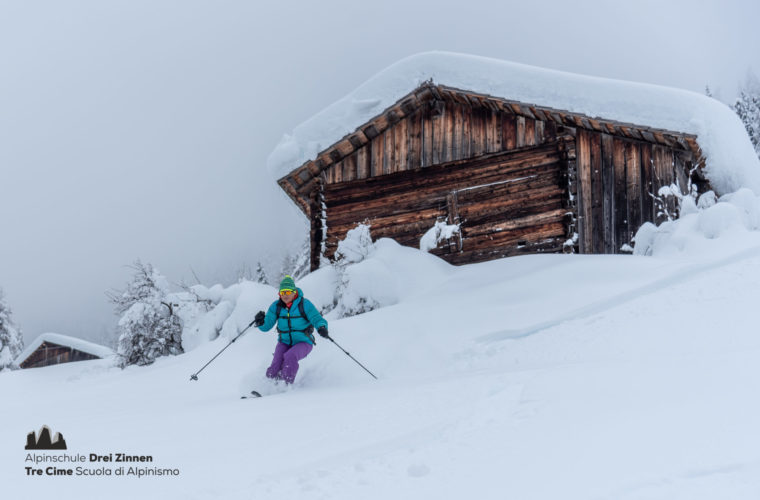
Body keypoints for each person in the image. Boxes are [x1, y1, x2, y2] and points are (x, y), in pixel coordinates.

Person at [253, 275, 328, 384]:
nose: (285, 295)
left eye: (288, 292)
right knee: (276, 364)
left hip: (304, 342)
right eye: (282, 293)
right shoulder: (276, 306)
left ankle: (285, 385)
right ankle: (267, 387)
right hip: (284, 342)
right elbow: (266, 326)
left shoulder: (304, 304)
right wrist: (260, 322)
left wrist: (322, 327)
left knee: (290, 356)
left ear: (294, 292)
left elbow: (316, 318)